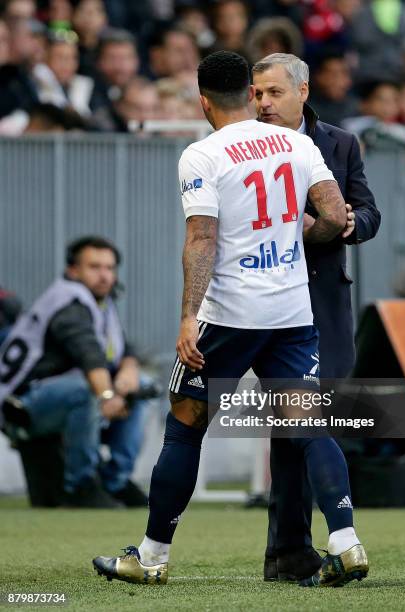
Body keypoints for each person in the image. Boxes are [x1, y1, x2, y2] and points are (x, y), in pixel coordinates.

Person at [93, 50, 368, 588]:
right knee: (309, 427)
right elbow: (337, 216)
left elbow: (201, 239)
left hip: (231, 315)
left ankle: (151, 556)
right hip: (292, 312)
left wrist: (188, 316)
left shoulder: (203, 154)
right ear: (249, 92)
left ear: (203, 102)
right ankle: (346, 541)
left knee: (185, 426)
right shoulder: (298, 143)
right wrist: (292, 242)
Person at [251, 52, 380, 583]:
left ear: (302, 92)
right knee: (298, 423)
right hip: (267, 303)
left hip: (324, 304)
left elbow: (368, 211)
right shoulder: (245, 145)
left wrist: (349, 222)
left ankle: (286, 552)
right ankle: (299, 547)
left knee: (301, 427)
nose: (262, 103)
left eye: (273, 93)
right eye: (257, 94)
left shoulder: (341, 142)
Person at [0, 236, 151, 508]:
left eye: (109, 268)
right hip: (21, 405)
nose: (104, 275)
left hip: (56, 399)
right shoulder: (69, 303)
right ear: (73, 270)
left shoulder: (99, 302)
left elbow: (126, 348)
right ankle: (81, 485)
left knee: (144, 385)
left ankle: (114, 480)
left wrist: (129, 371)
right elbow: (88, 353)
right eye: (94, 267)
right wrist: (107, 395)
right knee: (87, 390)